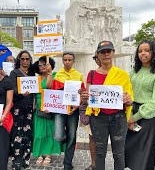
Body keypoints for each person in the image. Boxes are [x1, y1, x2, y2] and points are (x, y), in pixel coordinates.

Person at [81, 41, 133, 170]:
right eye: (102, 52)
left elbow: (130, 100)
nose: (106, 54)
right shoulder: (92, 74)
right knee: (99, 152)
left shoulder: (123, 75)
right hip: (98, 118)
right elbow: (87, 99)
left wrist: (128, 101)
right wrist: (85, 97)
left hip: (119, 118)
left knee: (119, 153)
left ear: (113, 53)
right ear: (97, 55)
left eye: (108, 51)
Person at [125, 40, 155, 170]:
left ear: (153, 52)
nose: (143, 53)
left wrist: (135, 117)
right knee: (130, 150)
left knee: (144, 154)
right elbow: (128, 92)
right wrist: (130, 114)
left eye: (147, 50)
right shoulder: (134, 71)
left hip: (149, 117)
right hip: (131, 111)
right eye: (140, 51)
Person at [52, 51, 85, 170]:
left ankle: (67, 164)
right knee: (59, 136)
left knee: (72, 136)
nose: (67, 62)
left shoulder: (78, 75)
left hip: (73, 110)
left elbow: (83, 93)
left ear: (73, 61)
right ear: (62, 61)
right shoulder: (57, 75)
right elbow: (53, 94)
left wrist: (78, 104)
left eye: (69, 60)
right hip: (60, 109)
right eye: (65, 60)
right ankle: (65, 140)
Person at [31, 56, 65, 166]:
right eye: (40, 65)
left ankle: (49, 154)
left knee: (50, 131)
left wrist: (50, 73)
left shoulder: (55, 76)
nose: (42, 67)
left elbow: (50, 87)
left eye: (44, 64)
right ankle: (40, 153)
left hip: (50, 106)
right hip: (38, 108)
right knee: (39, 131)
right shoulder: (36, 78)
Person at [8, 50, 36, 169]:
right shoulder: (14, 73)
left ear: (30, 60)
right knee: (17, 133)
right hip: (18, 107)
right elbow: (11, 89)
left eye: (27, 59)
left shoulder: (32, 73)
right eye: (22, 59)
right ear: (19, 60)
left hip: (29, 107)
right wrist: (20, 92)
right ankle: (17, 159)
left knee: (27, 132)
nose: (25, 61)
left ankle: (26, 157)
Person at [83, 53, 101, 170]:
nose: (97, 60)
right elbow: (88, 93)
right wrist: (84, 95)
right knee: (92, 137)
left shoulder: (117, 73)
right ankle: (94, 163)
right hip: (94, 111)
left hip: (112, 114)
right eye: (95, 58)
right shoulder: (92, 74)